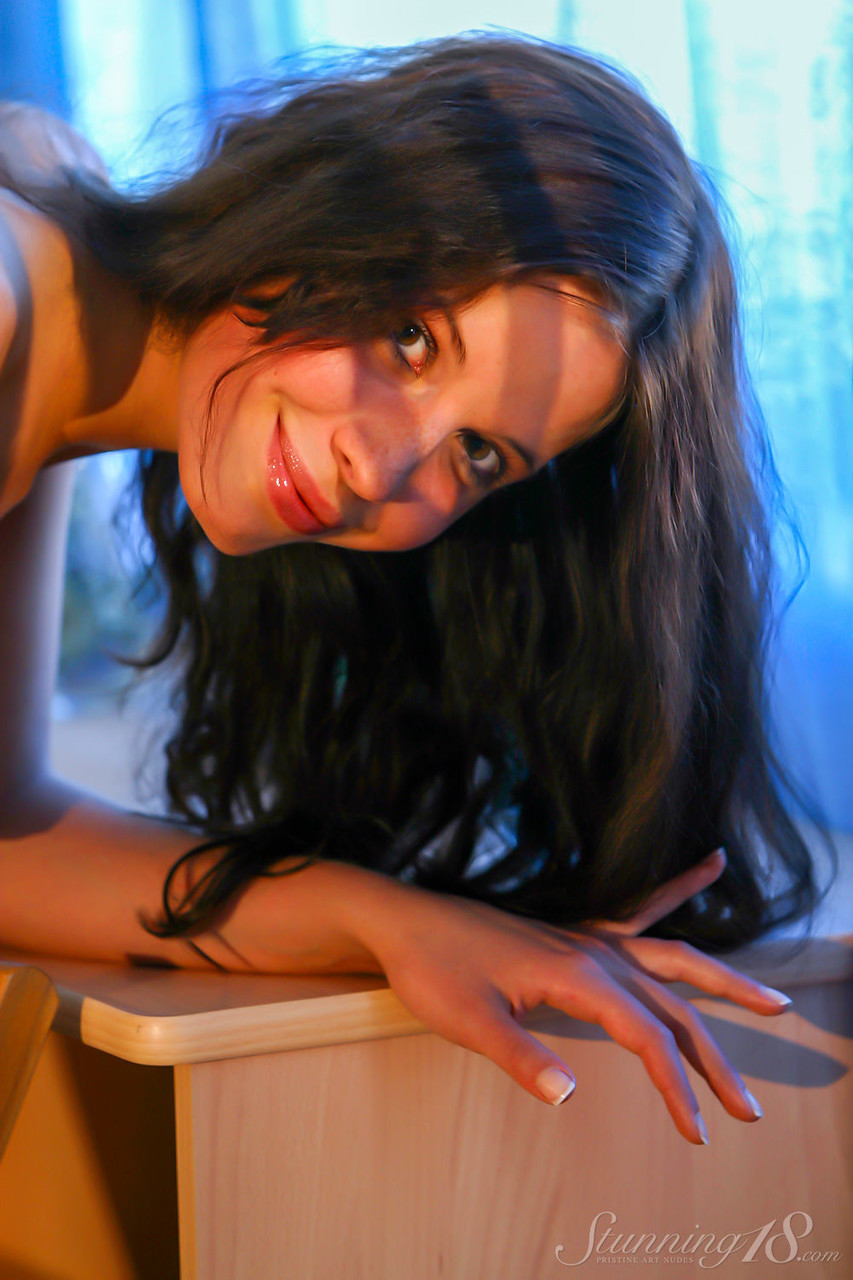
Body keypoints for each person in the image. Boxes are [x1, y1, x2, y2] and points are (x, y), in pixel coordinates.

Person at [0, 34, 835, 1147]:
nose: (383, 465)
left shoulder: (55, 304)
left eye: (478, 454)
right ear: (324, 198)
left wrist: (394, 921)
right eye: (410, 338)